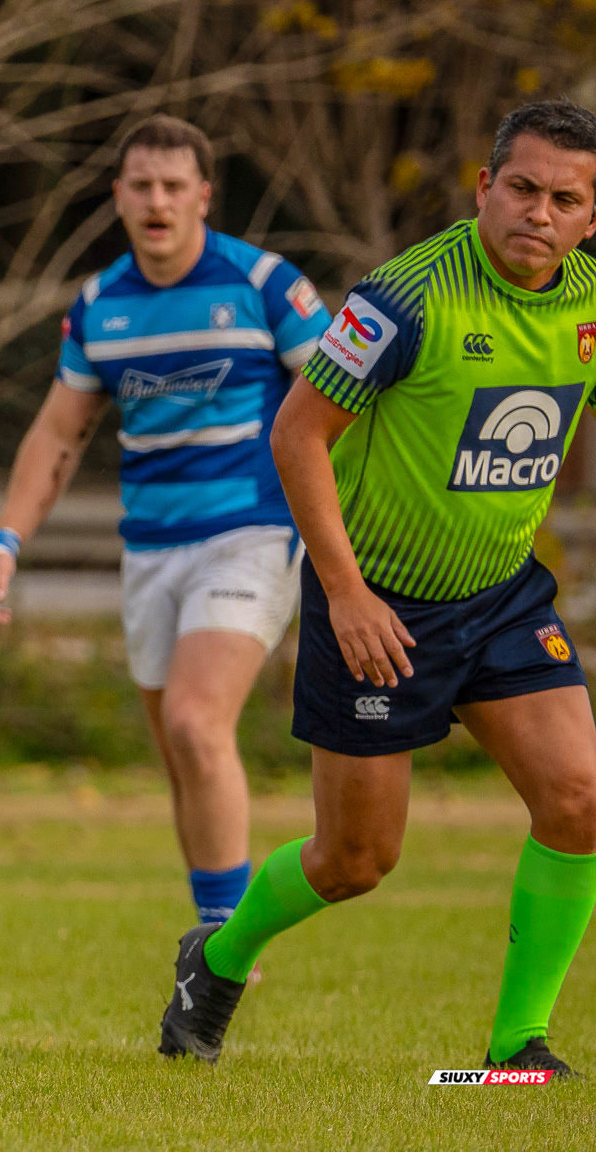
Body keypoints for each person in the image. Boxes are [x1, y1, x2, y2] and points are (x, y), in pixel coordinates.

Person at [160, 100, 596, 1077]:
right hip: (381, 605)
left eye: (566, 199)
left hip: (502, 597)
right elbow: (296, 434)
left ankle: (517, 1045)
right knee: (356, 860)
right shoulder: (404, 301)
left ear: (591, 218)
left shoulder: (589, 302)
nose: (540, 211)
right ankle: (215, 959)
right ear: (484, 187)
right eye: (522, 187)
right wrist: (346, 594)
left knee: (581, 801)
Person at [0, 115, 329, 932]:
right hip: (151, 551)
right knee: (181, 754)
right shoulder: (101, 304)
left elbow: (343, 407)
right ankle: (214, 930)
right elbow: (60, 434)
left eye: (174, 186)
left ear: (204, 195)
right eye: (142, 186)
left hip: (254, 533)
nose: (158, 200)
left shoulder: (266, 284)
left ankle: (229, 946)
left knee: (197, 725)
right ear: (119, 197)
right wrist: (5, 539)